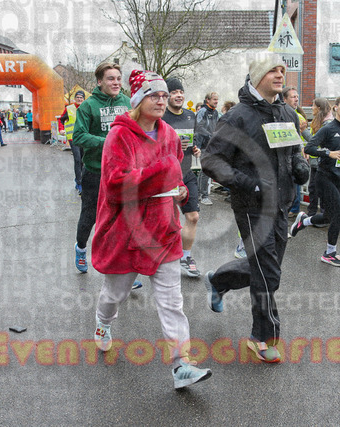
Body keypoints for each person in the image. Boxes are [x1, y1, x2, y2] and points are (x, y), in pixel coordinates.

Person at [92, 69, 212, 389]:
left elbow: (176, 176)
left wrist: (181, 191)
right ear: (137, 100)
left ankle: (181, 364)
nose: (161, 100)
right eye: (154, 95)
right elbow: (115, 186)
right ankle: (103, 322)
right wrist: (162, 172)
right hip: (126, 232)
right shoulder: (120, 136)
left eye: (164, 95)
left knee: (172, 302)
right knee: (114, 295)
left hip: (163, 229)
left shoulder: (170, 135)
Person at [200, 52, 310, 363]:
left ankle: (219, 280)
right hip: (251, 206)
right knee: (268, 274)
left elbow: (295, 151)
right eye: (273, 70)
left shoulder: (287, 113)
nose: (280, 75)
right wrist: (250, 183)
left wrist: (301, 166)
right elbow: (211, 160)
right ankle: (263, 337)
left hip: (281, 204)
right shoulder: (237, 117)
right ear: (258, 76)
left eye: (282, 70)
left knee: (263, 268)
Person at [71, 62, 141, 290]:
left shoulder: (128, 103)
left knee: (124, 220)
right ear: (100, 81)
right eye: (111, 78)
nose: (116, 82)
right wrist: (109, 141)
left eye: (118, 78)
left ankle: (125, 272)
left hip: (123, 171)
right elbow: (78, 136)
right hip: (95, 171)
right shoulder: (88, 106)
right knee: (90, 216)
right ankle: (81, 248)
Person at [290, 95, 340, 267]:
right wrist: (328, 153)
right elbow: (309, 147)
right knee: (339, 215)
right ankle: (329, 253)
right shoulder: (328, 128)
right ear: (335, 108)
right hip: (324, 177)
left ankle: (304, 221)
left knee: (328, 217)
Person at [163, 78, 202, 278]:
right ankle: (164, 259)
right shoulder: (161, 117)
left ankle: (186, 257)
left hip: (186, 172)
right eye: (174, 92)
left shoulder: (190, 115)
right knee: (168, 222)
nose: (178, 95)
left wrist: (195, 149)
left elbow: (192, 140)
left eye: (181, 91)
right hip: (166, 176)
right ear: (167, 95)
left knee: (193, 216)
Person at [282, 86, 308, 219]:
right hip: (283, 155)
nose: (296, 99)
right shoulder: (281, 113)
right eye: (293, 97)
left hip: (293, 154)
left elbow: (299, 135)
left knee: (295, 180)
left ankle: (294, 207)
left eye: (297, 96)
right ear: (284, 99)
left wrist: (302, 149)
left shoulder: (296, 115)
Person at [306, 97, 333, 217]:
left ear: (319, 108)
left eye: (313, 106)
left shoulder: (327, 124)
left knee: (321, 189)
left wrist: (303, 131)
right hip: (315, 161)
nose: (312, 108)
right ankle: (312, 213)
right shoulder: (318, 121)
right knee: (313, 188)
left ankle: (323, 215)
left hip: (322, 161)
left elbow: (315, 141)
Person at [194, 92, 221, 206]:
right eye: (214, 99)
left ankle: (199, 194)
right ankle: (204, 196)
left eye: (217, 99)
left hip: (212, 145)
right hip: (203, 145)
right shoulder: (203, 111)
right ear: (207, 100)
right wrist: (210, 135)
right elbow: (198, 126)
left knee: (205, 170)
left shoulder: (215, 112)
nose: (216, 102)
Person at [59, 90, 86, 195]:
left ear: (84, 99)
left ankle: (81, 179)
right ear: (75, 98)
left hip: (84, 138)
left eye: (81, 98)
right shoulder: (69, 108)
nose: (79, 99)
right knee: (77, 160)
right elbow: (61, 120)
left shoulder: (86, 108)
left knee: (84, 160)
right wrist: (61, 129)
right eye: (78, 97)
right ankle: (79, 183)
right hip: (73, 138)